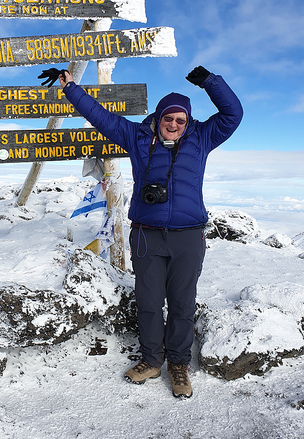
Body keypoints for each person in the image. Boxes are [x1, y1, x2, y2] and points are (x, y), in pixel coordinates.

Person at [45, 65, 243, 398]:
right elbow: (103, 117)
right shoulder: (138, 138)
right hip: (147, 234)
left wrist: (210, 83)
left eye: (181, 121)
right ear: (160, 116)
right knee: (149, 302)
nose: (174, 125)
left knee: (182, 303)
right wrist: (71, 88)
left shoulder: (202, 137)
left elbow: (233, 114)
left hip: (188, 236)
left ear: (188, 123)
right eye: (170, 118)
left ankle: (178, 365)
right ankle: (152, 359)